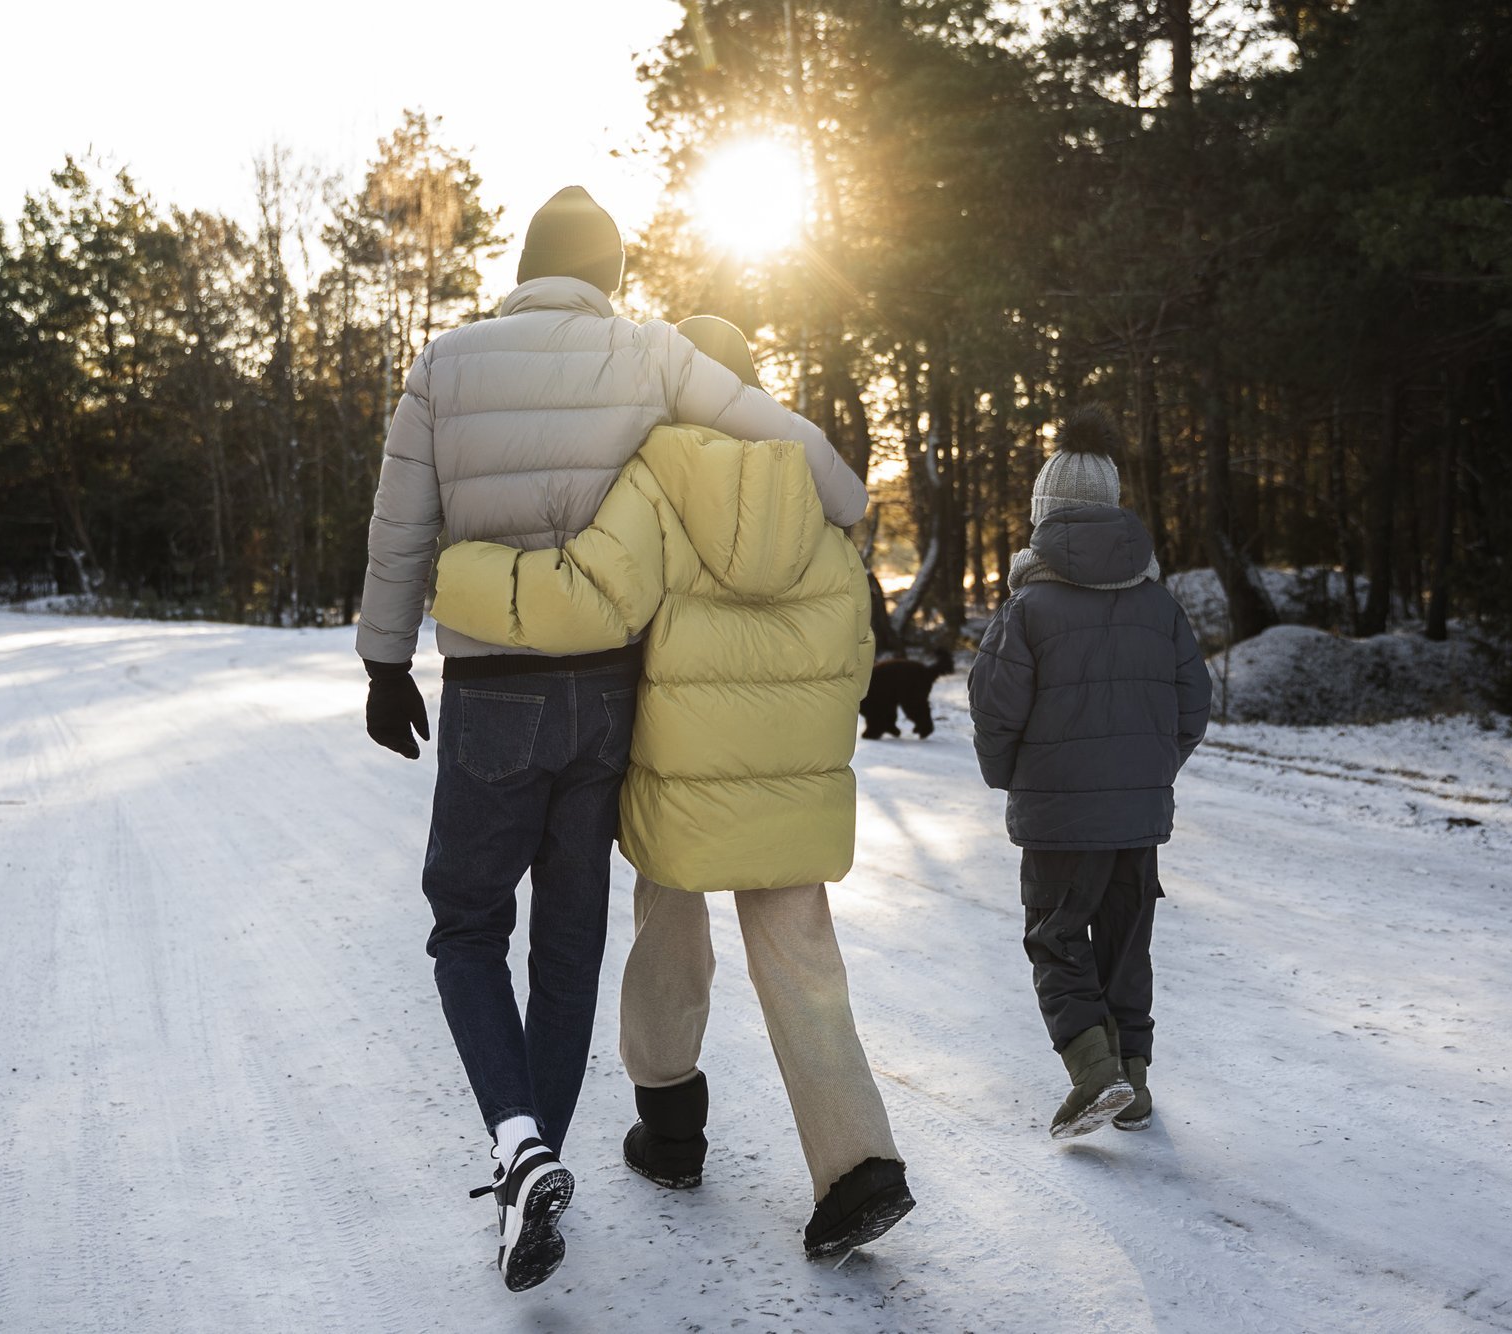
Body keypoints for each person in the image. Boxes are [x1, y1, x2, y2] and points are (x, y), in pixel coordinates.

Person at [356, 190, 867, 1292]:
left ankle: (518, 1142)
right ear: (610, 276)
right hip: (606, 696)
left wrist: (383, 659)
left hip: (491, 689)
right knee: (570, 943)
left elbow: (400, 520)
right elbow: (780, 437)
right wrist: (847, 498)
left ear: (524, 265)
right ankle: (530, 1161)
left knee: (465, 926)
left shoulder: (445, 361)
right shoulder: (644, 354)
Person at [432, 316, 911, 1260]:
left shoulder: (657, 476)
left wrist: (459, 575)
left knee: (667, 932)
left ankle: (671, 1129)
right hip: (789, 772)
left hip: (678, 769)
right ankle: (858, 1168)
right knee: (804, 962)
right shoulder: (811, 488)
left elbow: (590, 597)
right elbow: (857, 646)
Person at [965, 406, 1212, 1139]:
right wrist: (1146, 772)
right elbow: (1192, 705)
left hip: (1059, 818)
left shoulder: (1028, 605)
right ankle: (1133, 1082)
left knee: (1056, 937)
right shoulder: (1159, 604)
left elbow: (994, 710)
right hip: (1137, 817)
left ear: (1044, 515)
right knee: (1126, 942)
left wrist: (1015, 777)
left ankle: (1094, 1072)